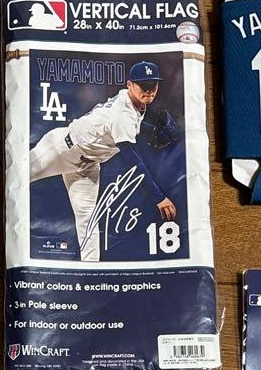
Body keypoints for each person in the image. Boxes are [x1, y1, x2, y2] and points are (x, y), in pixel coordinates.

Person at [29, 60, 177, 261]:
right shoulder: (122, 114)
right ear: (129, 84)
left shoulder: (134, 102)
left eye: (153, 85)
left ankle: (91, 271)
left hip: (88, 165)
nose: (149, 91)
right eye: (144, 85)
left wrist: (149, 129)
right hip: (60, 149)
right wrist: (158, 197)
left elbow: (119, 127)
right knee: (15, 177)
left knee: (88, 222)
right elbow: (133, 163)